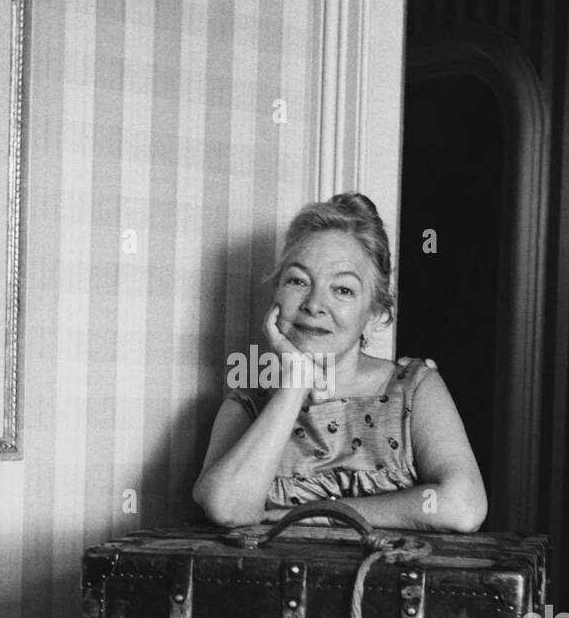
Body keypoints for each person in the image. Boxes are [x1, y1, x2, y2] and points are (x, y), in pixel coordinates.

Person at [193, 193, 487, 532]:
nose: (314, 304)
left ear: (375, 314)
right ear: (276, 294)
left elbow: (464, 507)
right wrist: (294, 385)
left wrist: (325, 512)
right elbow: (226, 508)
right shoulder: (247, 406)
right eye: (298, 280)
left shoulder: (414, 388)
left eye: (343, 290)